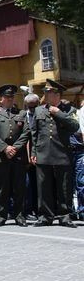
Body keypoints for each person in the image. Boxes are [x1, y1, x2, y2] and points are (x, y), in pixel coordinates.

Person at [30, 79, 80, 227]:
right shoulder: (39, 110)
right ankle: (45, 216)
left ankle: (65, 216)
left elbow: (75, 127)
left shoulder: (69, 110)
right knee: (43, 186)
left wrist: (59, 113)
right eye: (45, 92)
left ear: (57, 95)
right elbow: (35, 133)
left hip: (62, 152)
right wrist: (33, 151)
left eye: (48, 93)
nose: (45, 95)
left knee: (64, 187)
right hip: (43, 151)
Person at [0, 85, 30, 227]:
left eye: (12, 97)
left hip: (18, 157)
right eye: (7, 97)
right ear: (1, 99)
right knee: (2, 188)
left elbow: (26, 133)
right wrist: (5, 148)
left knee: (19, 188)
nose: (10, 99)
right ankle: (0, 216)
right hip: (1, 156)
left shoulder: (22, 113)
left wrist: (15, 148)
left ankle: (19, 215)